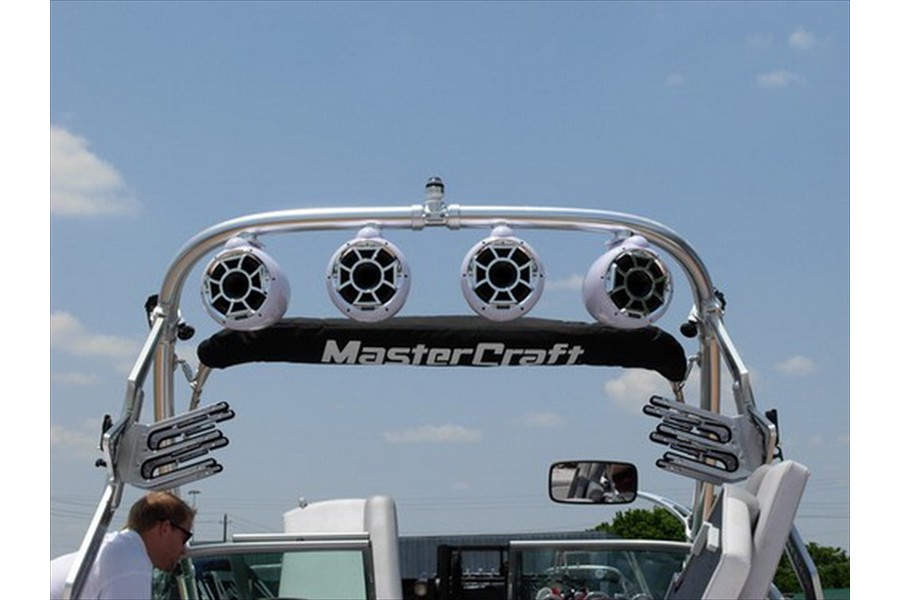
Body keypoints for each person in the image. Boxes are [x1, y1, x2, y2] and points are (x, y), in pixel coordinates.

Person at [50, 491, 195, 599]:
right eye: (184, 537)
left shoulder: (119, 548)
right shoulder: (131, 561)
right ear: (165, 528)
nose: (184, 550)